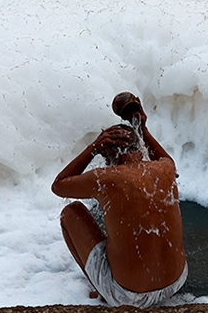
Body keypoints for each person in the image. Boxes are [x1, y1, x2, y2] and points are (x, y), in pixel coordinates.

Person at [52, 92, 187, 307]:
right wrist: (142, 128)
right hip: (176, 281)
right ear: (140, 148)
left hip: (128, 296)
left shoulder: (106, 178)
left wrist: (93, 147)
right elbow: (164, 157)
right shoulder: (166, 167)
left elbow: (59, 185)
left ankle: (102, 290)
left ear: (106, 156)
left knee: (71, 212)